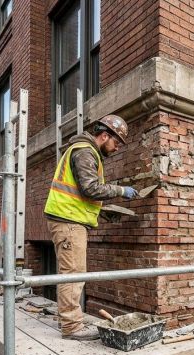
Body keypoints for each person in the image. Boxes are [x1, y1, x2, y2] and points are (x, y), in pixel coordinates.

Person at [43, 114, 138, 340]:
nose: (116, 149)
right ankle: (72, 327)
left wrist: (103, 212)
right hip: (68, 221)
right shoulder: (85, 151)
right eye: (116, 142)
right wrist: (120, 191)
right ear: (104, 135)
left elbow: (82, 193)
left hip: (70, 219)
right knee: (73, 274)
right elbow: (90, 188)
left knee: (74, 273)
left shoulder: (85, 150)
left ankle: (70, 321)